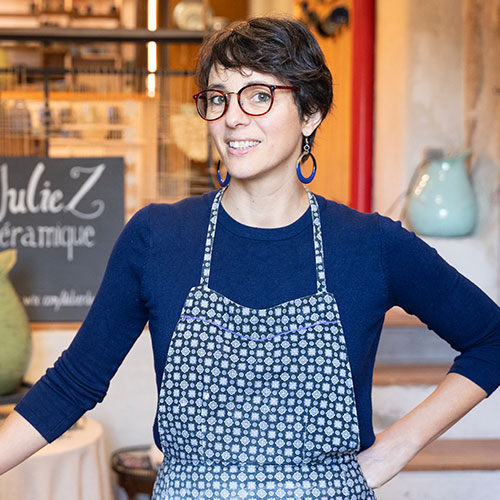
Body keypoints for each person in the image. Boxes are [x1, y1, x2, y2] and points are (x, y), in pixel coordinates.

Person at [1, 16, 500, 499]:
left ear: (310, 112)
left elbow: (491, 340)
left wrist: (398, 446)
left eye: (259, 95)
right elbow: (73, 384)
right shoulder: (159, 236)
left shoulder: (370, 244)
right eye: (219, 98)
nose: (233, 117)